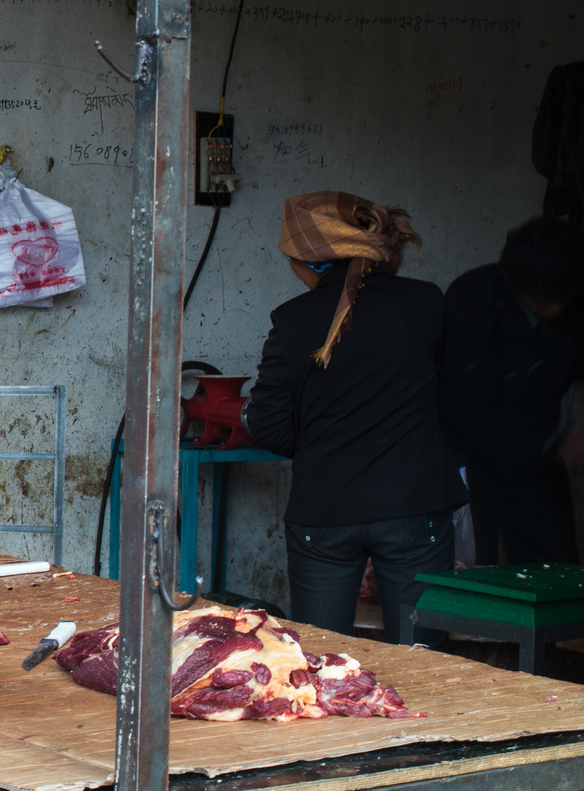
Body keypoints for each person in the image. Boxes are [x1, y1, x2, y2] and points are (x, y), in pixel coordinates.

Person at [244, 191, 465, 644]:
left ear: (313, 263)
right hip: (414, 503)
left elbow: (267, 422)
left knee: (325, 659)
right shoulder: (426, 303)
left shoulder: (291, 320)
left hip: (323, 511)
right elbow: (456, 394)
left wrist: (320, 446)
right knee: (424, 654)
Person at [441, 217, 584, 566]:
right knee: (475, 574)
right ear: (517, 284)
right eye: (547, 298)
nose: (558, 308)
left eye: (566, 296)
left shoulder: (572, 308)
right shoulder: (471, 300)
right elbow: (459, 404)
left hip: (538, 460)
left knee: (556, 575)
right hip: (467, 458)